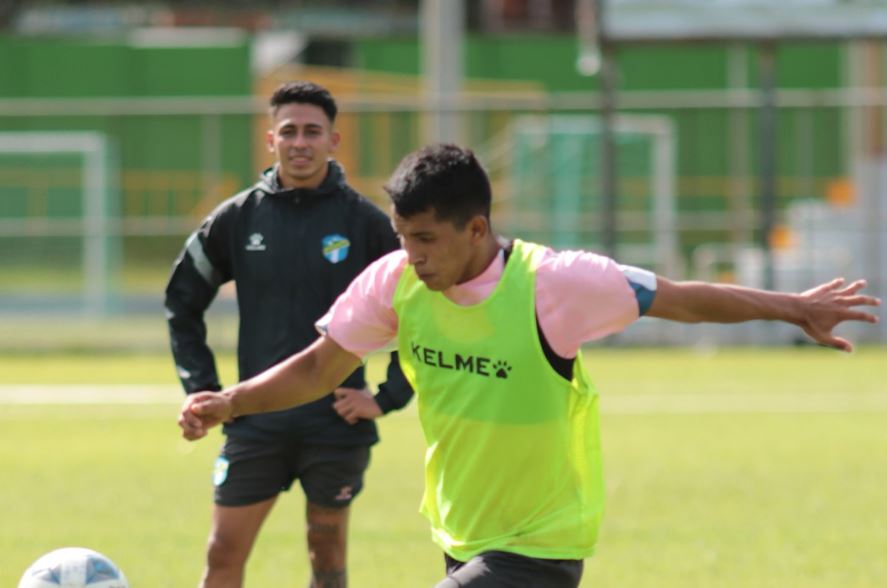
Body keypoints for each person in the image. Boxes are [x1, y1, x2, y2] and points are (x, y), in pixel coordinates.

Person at [177, 143, 880, 588]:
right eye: (402, 237)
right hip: (460, 532)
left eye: (426, 239)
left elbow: (682, 299)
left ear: (475, 229)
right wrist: (229, 402)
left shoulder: (558, 284)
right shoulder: (396, 282)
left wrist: (792, 308)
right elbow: (317, 368)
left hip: (541, 542)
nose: (412, 254)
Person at [164, 81, 413, 588]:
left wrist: (387, 397)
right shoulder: (236, 219)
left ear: (334, 140)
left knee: (326, 550)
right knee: (222, 551)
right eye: (289, 131)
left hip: (334, 425)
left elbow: (421, 313)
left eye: (312, 132)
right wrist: (202, 391)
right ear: (270, 140)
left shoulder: (365, 223)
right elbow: (181, 303)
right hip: (255, 418)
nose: (301, 142)